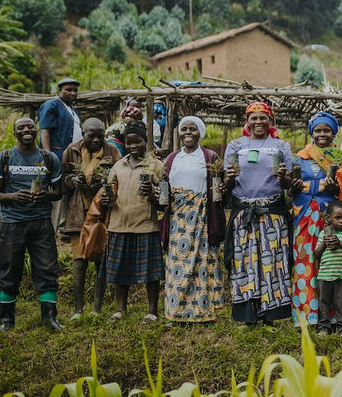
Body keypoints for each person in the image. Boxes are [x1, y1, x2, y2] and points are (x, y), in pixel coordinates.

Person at [223, 102, 297, 326]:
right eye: (253, 118)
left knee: (272, 263)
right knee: (245, 262)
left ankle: (270, 315)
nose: (258, 122)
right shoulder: (235, 146)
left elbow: (288, 185)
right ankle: (248, 315)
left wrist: (284, 176)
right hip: (244, 212)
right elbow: (228, 183)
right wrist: (227, 177)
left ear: (270, 120)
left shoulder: (280, 146)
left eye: (263, 118)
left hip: (272, 212)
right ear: (247, 120)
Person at [0, 117, 63, 331]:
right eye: (21, 127)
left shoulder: (49, 159)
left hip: (41, 223)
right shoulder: (4, 158)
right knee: (10, 269)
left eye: (30, 126)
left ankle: (50, 319)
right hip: (13, 223)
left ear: (36, 130)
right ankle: (6, 320)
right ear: (15, 134)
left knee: (47, 268)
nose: (26, 130)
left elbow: (59, 192)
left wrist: (46, 196)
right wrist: (13, 197)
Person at [160, 116, 226, 324]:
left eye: (193, 129)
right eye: (184, 129)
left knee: (202, 263)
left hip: (202, 218)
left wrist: (224, 187)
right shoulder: (171, 159)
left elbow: (220, 187)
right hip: (177, 220)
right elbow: (163, 190)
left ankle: (204, 311)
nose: (188, 133)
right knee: (176, 263)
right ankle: (176, 311)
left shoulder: (210, 157)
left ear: (201, 133)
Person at [101, 121, 163, 322]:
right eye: (129, 142)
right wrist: (105, 198)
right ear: (124, 144)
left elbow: (164, 199)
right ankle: (120, 309)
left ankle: (152, 311)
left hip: (146, 225)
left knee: (151, 274)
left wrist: (154, 192)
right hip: (119, 224)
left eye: (137, 141)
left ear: (146, 141)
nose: (133, 146)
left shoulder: (156, 165)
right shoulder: (118, 165)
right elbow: (110, 190)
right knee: (120, 270)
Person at [60, 117, 121, 319]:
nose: (96, 140)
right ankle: (78, 310)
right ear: (83, 134)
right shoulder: (72, 150)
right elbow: (62, 180)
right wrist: (72, 180)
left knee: (100, 260)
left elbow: (119, 179)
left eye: (100, 136)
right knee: (79, 262)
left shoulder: (112, 151)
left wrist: (107, 186)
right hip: (78, 214)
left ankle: (97, 309)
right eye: (91, 136)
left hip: (101, 215)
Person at [291, 112, 342, 327]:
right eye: (318, 130)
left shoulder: (341, 158)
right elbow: (292, 189)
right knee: (304, 262)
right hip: (304, 215)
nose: (322, 134)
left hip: (328, 216)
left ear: (334, 133)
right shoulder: (300, 157)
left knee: (328, 262)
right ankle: (305, 315)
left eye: (327, 130)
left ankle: (331, 316)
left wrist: (334, 187)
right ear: (311, 133)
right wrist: (293, 188)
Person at [39, 76, 82, 232]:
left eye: (75, 90)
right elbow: (44, 130)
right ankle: (53, 228)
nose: (72, 93)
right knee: (55, 190)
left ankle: (63, 226)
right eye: (68, 90)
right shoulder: (52, 105)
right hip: (57, 155)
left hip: (71, 157)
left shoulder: (72, 110)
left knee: (66, 189)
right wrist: (47, 154)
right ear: (60, 91)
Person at [312, 201, 342, 336]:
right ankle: (324, 328)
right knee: (324, 303)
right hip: (324, 276)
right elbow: (316, 253)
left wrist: (339, 243)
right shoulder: (323, 233)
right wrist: (324, 244)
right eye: (338, 218)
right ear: (329, 218)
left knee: (341, 304)